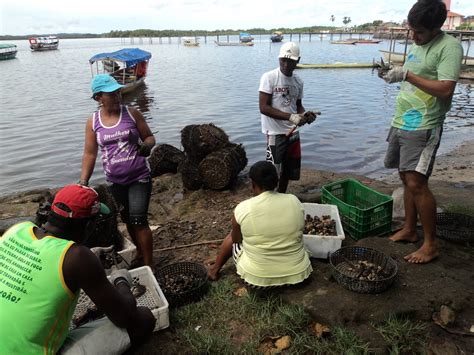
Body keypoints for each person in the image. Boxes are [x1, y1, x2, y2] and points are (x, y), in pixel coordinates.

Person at [0, 184, 155, 354]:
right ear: (89, 226)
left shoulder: (17, 229)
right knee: (144, 319)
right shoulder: (77, 257)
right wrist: (121, 280)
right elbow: (124, 317)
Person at [379, 0, 463, 263]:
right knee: (405, 177)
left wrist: (406, 76)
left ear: (437, 27)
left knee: (417, 182)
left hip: (425, 124)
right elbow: (412, 75)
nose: (414, 37)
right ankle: (408, 229)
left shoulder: (449, 47)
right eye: (411, 30)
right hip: (402, 120)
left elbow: (445, 89)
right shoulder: (417, 42)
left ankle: (430, 244)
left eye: (420, 33)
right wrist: (393, 74)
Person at [80, 74, 156, 267]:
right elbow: (90, 153)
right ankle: (139, 252)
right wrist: (83, 182)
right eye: (111, 94)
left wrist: (146, 147)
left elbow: (149, 137)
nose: (117, 97)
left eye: (117, 92)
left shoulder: (131, 113)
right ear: (99, 98)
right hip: (115, 181)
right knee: (128, 220)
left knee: (139, 220)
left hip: (139, 177)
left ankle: (150, 264)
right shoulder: (93, 122)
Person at [207, 161, 312, 287]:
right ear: (276, 182)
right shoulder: (294, 200)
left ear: (253, 184)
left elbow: (236, 240)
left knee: (232, 235)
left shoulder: (243, 208)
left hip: (257, 279)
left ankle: (214, 270)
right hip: (298, 276)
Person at [259, 41, 319, 193]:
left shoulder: (298, 81)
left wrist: (305, 115)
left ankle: (282, 195)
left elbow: (298, 106)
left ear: (297, 61)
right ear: (279, 59)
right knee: (273, 172)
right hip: (275, 133)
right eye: (283, 60)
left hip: (293, 133)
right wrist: (290, 117)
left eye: (290, 61)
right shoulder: (269, 78)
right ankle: (270, 199)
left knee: (288, 170)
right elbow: (263, 107)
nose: (285, 64)